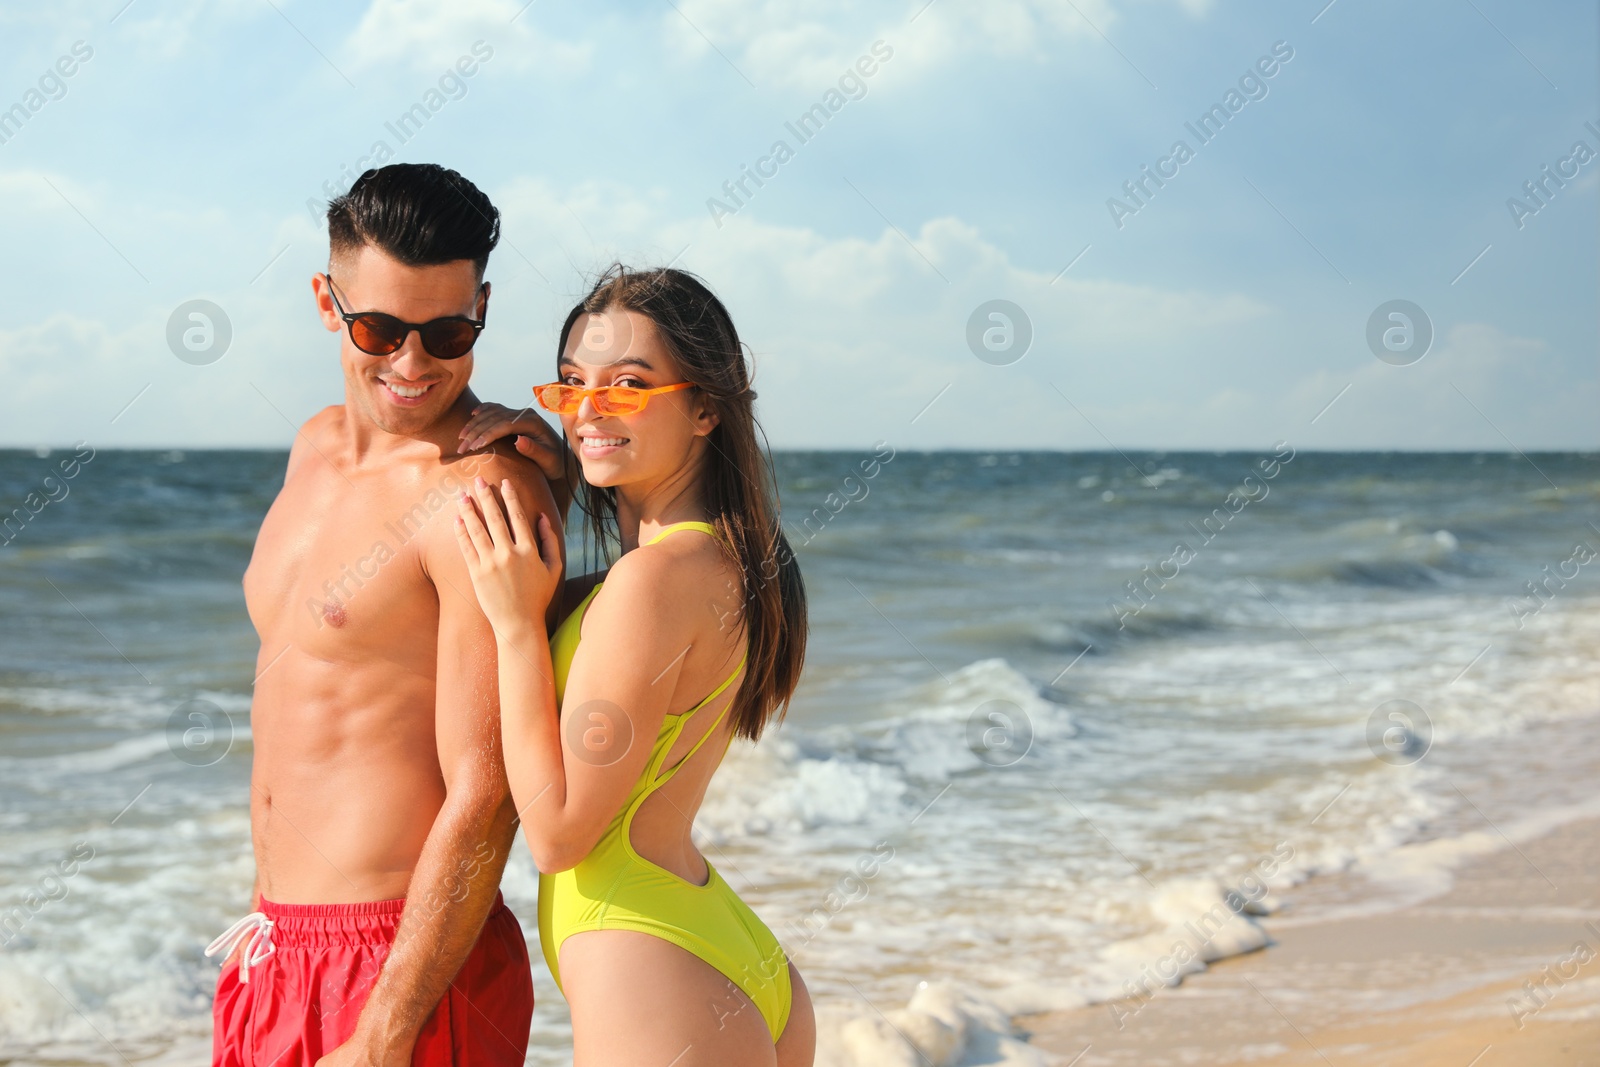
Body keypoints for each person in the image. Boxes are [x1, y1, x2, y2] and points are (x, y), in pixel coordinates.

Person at [206, 163, 558, 1067]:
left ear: (481, 308)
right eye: (380, 328)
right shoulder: (313, 447)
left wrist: (385, 1031)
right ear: (328, 303)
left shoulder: (479, 491)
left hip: (404, 966)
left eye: (447, 332)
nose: (411, 364)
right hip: (275, 949)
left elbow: (489, 793)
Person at [453, 266, 817, 1066]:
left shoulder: (651, 583)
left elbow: (556, 834)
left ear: (706, 407)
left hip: (646, 958)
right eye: (574, 385)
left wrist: (517, 628)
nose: (589, 408)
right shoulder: (725, 562)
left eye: (627, 385)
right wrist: (561, 471)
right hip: (717, 941)